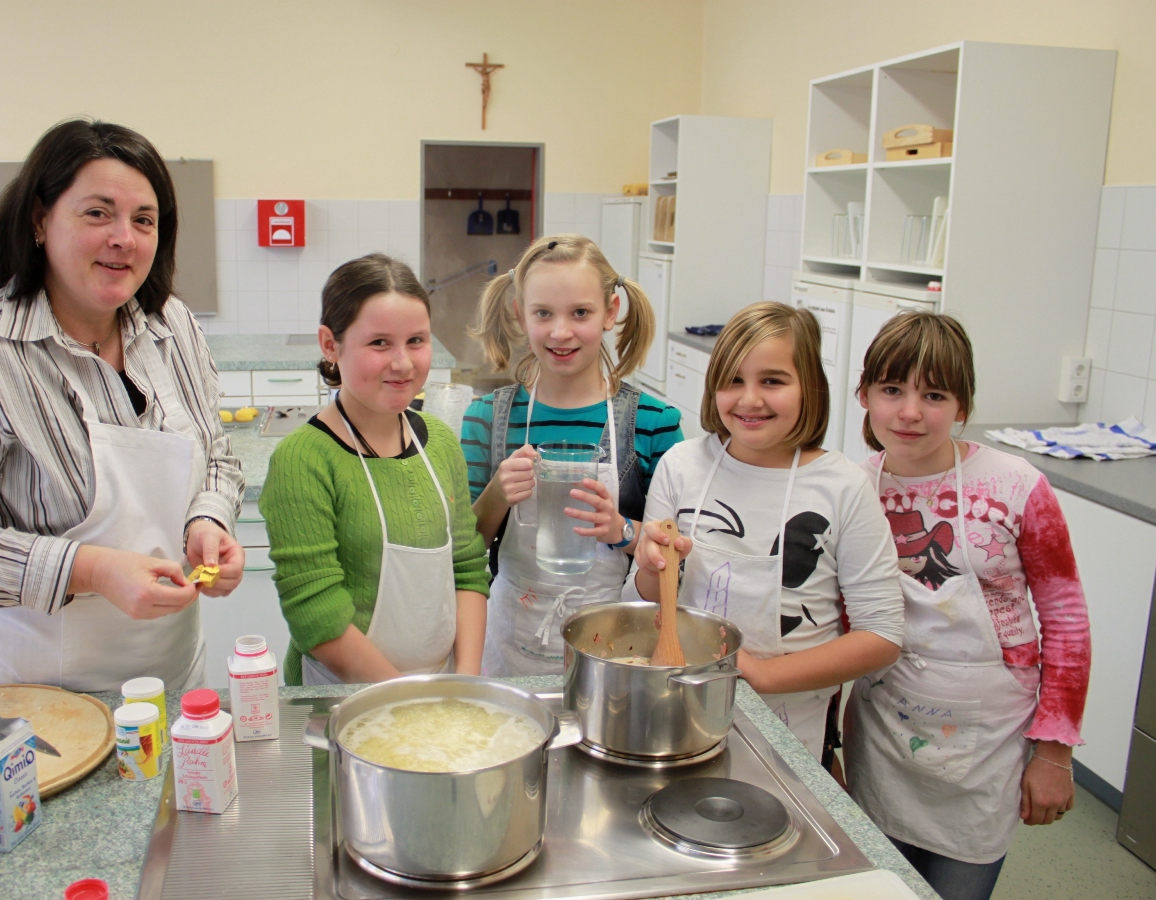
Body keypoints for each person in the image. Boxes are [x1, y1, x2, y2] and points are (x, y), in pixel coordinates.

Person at [0, 119, 246, 693]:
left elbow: (217, 456)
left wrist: (208, 518)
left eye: (144, 220)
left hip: (163, 674)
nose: (124, 238)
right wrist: (93, 569)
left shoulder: (172, 327)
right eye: (98, 213)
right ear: (40, 220)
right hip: (21, 689)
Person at [842, 312, 1090, 900]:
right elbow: (841, 620)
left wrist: (1055, 753)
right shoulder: (851, 488)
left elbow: (1066, 619)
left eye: (934, 395)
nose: (910, 412)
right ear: (864, 395)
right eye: (892, 390)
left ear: (962, 404)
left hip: (989, 744)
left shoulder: (1015, 485)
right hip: (884, 732)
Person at [632, 301, 903, 759]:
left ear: (809, 387)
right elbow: (648, 602)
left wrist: (760, 674)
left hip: (789, 729)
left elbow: (881, 636)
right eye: (733, 380)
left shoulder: (843, 486)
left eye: (772, 381)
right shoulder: (682, 465)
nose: (750, 400)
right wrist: (648, 566)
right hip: (680, 708)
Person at [260, 254, 490, 685]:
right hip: (341, 692)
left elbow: (467, 567)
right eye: (380, 343)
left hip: (441, 685)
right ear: (330, 344)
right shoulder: (303, 460)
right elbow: (317, 613)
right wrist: (409, 703)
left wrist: (465, 682)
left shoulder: (440, 443)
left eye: (416, 341)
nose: (402, 363)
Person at [462, 235, 682, 676]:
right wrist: (497, 494)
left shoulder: (654, 422)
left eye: (580, 313)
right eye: (543, 313)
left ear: (611, 312)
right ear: (519, 313)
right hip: (509, 651)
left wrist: (620, 529)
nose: (560, 332)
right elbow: (464, 551)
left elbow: (673, 557)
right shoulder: (487, 417)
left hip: (615, 652)